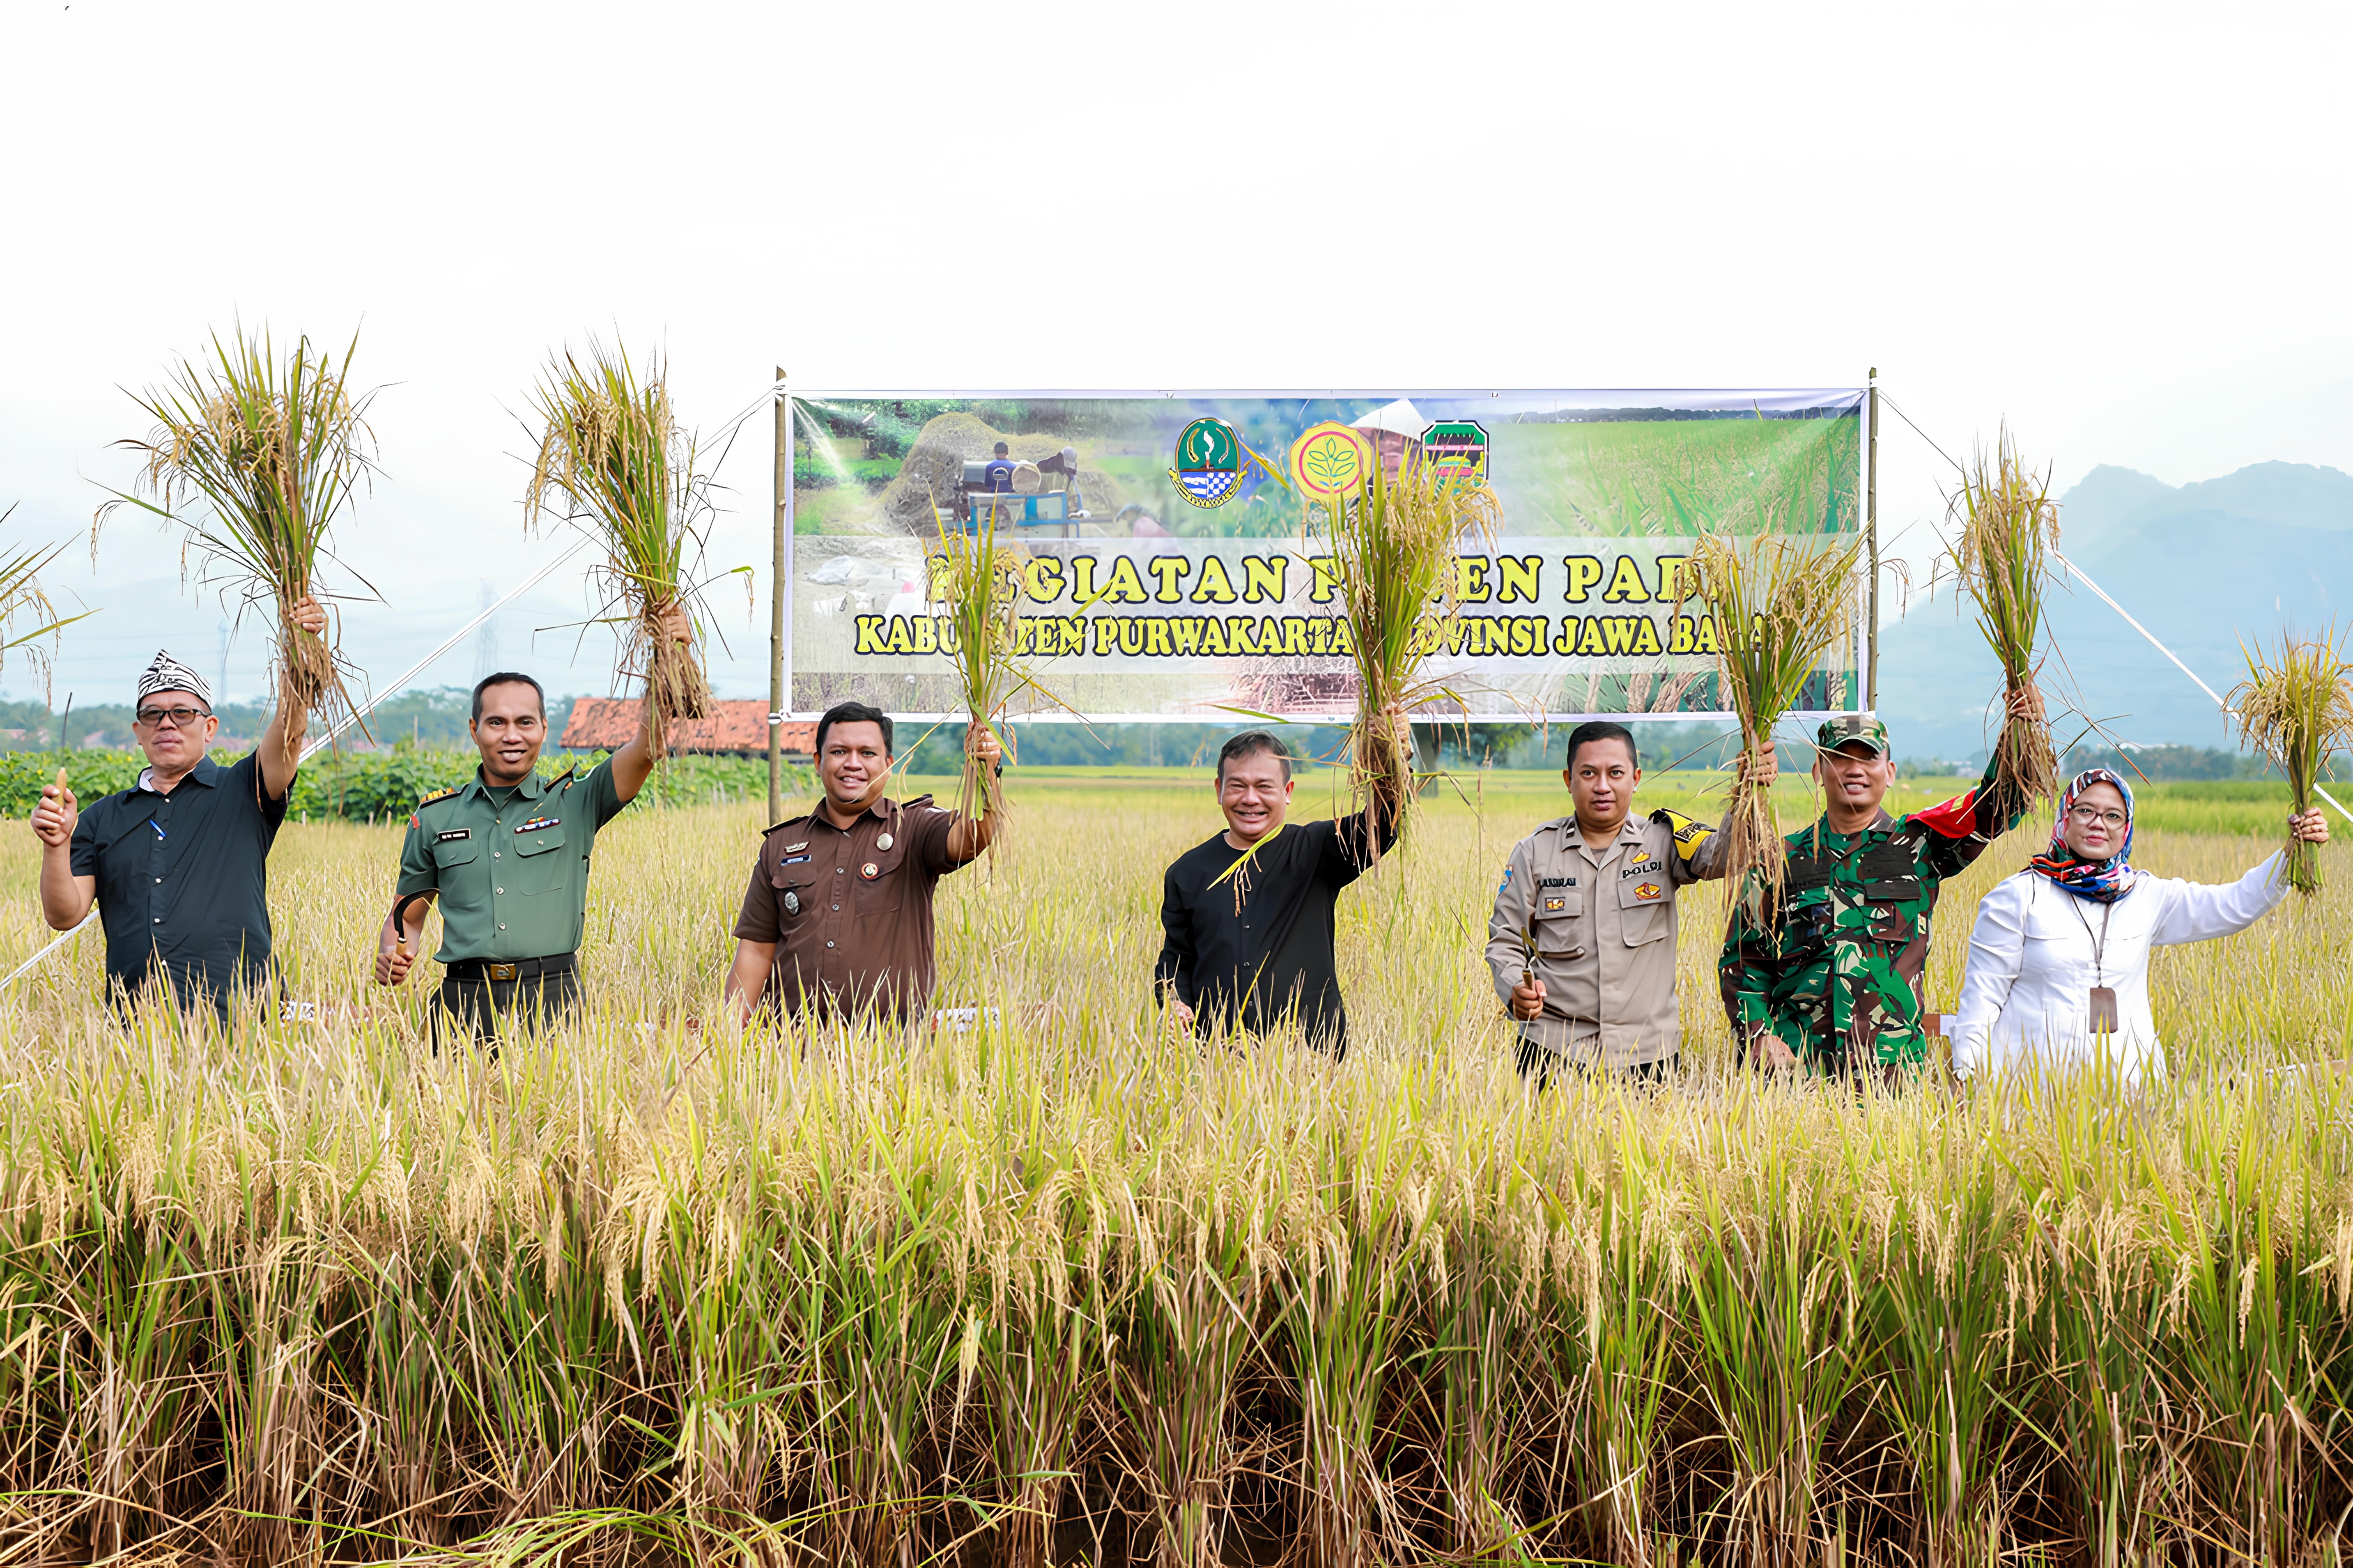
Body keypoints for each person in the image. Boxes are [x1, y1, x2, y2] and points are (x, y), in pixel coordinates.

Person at [373, 606, 689, 1039]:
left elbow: (649, 743)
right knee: (443, 1107)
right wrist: (393, 951)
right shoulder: (435, 817)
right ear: (474, 729)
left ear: (544, 727)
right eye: (496, 723)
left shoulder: (577, 801)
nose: (512, 735)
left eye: (525, 722)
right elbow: (407, 915)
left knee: (556, 1108)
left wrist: (670, 655)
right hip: (461, 1003)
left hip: (553, 1002)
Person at [1719, 690, 2041, 1078]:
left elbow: (1996, 807)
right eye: (1839, 758)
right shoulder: (1779, 859)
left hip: (1892, 1073)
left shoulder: (1919, 845)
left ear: (1888, 772)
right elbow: (1743, 961)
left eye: (1868, 758)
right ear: (1818, 773)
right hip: (1797, 1073)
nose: (1854, 769)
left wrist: (2022, 731)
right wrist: (1758, 1036)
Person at [32, 600, 329, 1019]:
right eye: (153, 715)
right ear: (138, 732)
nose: (167, 723)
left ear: (209, 728)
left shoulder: (244, 789)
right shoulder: (102, 818)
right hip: (140, 1029)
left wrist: (303, 650)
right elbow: (64, 914)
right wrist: (56, 846)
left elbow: (290, 733)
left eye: (183, 713)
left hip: (244, 1021)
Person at [1951, 768, 2327, 1084]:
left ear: (2126, 827)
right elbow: (1982, 997)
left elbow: (2235, 905)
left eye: (2112, 815)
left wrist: (2292, 852)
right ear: (2064, 817)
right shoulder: (2018, 896)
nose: (2098, 823)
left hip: (2129, 1089)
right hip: (2031, 1088)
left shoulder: (2144, 894)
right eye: (2085, 810)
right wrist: (1969, 1078)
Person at [1487, 721, 1773, 1082]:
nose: (1602, 786)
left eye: (1615, 773)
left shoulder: (1664, 839)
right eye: (1588, 773)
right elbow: (1504, 941)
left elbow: (1726, 857)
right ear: (1568, 779)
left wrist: (1748, 794)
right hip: (1552, 1049)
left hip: (1646, 1055)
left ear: (1635, 777)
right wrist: (1514, 986)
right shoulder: (1535, 852)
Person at [723, 701, 1001, 1025]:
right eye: (839, 752)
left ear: (888, 763)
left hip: (891, 1050)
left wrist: (987, 772)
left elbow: (973, 836)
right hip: (792, 1052)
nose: (852, 764)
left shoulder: (913, 828)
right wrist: (729, 1037)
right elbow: (756, 951)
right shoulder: (780, 845)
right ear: (818, 762)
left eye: (867, 754)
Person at [1154, 721, 1408, 1059]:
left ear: (1287, 791)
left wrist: (1393, 753)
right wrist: (1175, 1003)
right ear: (1219, 789)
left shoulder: (1316, 850)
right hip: (1215, 1056)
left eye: (1264, 787)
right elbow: (1177, 961)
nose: (1250, 799)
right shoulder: (1187, 872)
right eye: (1237, 786)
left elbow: (1381, 823)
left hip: (1309, 1054)